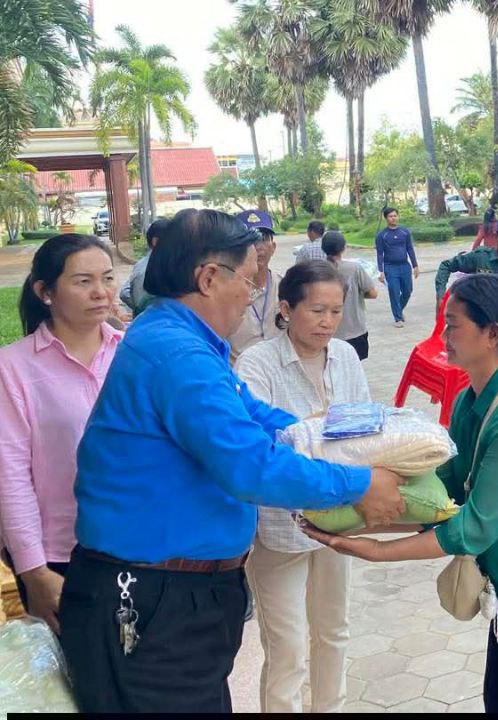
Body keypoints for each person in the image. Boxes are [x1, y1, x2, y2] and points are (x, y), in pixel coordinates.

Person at [60, 209, 405, 713]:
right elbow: (251, 466)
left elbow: (257, 416)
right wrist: (360, 484)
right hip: (151, 596)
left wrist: (331, 438)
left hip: (179, 593)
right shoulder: (178, 355)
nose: (251, 293)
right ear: (208, 278)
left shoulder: (186, 341)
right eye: (247, 279)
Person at [305, 274, 498, 713]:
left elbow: (474, 527)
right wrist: (363, 512)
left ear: (492, 334)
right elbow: (444, 491)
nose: (443, 335)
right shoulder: (470, 399)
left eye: (453, 324)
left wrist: (375, 550)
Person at [235, 261, 370, 713]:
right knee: (287, 646)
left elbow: (363, 428)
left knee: (334, 630)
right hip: (280, 526)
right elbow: (259, 442)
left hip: (337, 518)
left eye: (335, 311)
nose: (327, 322)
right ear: (286, 309)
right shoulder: (258, 363)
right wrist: (315, 430)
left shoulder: (345, 357)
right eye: (316, 310)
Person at [0, 235, 122, 631]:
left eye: (107, 278)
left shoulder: (133, 353)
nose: (100, 292)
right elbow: (10, 475)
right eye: (83, 281)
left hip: (138, 544)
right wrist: (33, 570)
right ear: (45, 292)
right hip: (61, 555)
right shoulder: (12, 368)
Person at [436, 218, 498, 311]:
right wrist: (441, 295)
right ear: (496, 237)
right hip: (480, 315)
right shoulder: (481, 256)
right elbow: (446, 266)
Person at [229, 211, 283, 363]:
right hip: (239, 372)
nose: (258, 247)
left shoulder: (285, 287)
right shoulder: (227, 291)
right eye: (251, 240)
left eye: (264, 239)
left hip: (277, 371)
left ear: (273, 247)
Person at [322, 230, 377, 360]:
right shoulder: (355, 268)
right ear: (343, 247)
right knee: (353, 367)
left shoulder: (317, 269)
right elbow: (373, 293)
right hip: (354, 330)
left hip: (326, 331)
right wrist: (356, 294)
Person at [375, 206, 418, 328]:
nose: (393, 218)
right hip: (390, 267)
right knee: (394, 292)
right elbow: (379, 254)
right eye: (390, 216)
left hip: (404, 266)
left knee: (407, 291)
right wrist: (380, 271)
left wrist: (415, 265)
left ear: (398, 216)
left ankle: (399, 309)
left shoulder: (404, 232)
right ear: (386, 218)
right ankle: (398, 318)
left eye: (395, 216)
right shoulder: (382, 235)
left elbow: (410, 249)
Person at [119, 217, 170, 317]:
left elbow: (125, 292)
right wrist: (142, 308)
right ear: (156, 242)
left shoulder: (142, 264)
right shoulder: (149, 271)